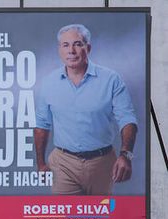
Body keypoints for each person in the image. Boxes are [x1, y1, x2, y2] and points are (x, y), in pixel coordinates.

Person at [34, 24, 138, 196]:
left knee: (101, 212)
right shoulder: (48, 83)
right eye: (65, 45)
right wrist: (40, 163)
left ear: (88, 48)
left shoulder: (111, 79)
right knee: (66, 213)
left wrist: (126, 155)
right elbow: (41, 125)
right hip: (63, 164)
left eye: (77, 44)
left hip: (102, 163)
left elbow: (127, 119)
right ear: (59, 50)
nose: (71, 51)